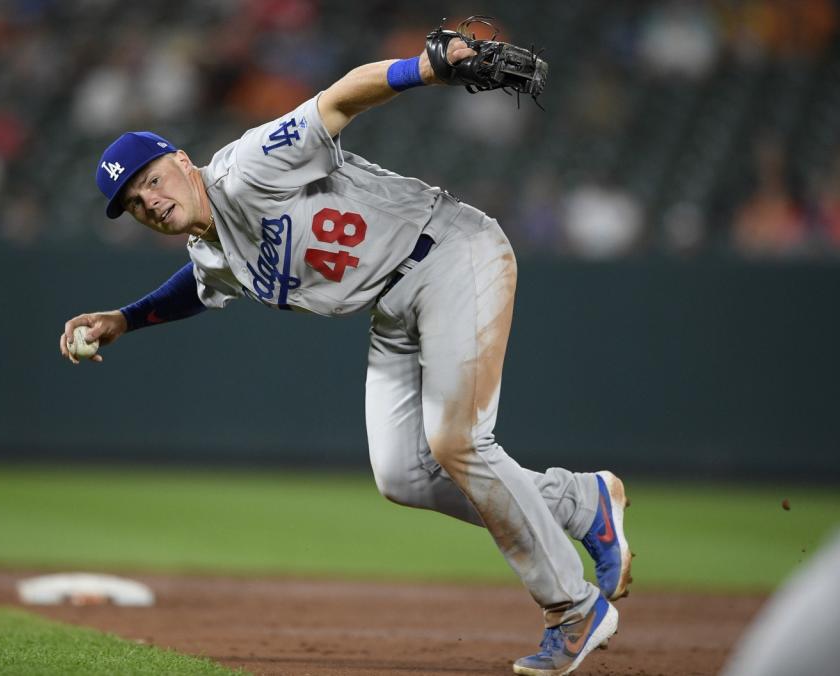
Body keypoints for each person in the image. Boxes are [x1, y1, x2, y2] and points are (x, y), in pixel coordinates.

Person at [59, 32, 632, 676]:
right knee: (402, 475)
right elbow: (200, 285)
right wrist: (124, 319)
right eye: (135, 203)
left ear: (183, 162)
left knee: (457, 442)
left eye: (153, 181)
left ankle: (572, 608)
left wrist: (425, 68)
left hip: (449, 254)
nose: (151, 201)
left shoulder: (249, 166)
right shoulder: (210, 245)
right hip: (394, 307)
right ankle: (583, 503)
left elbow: (338, 100)